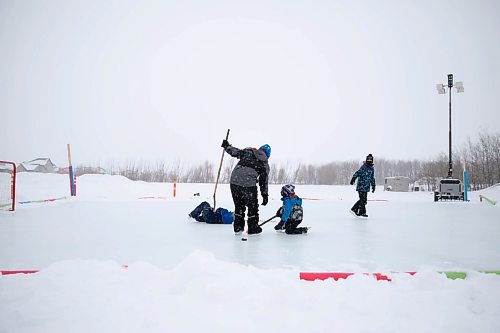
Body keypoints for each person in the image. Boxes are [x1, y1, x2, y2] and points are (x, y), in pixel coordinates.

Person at [221, 139, 270, 235]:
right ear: (268, 154)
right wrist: (265, 195)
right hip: (248, 184)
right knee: (252, 207)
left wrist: (227, 146)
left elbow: (235, 152)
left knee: (239, 206)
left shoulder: (249, 151)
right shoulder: (264, 164)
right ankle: (253, 228)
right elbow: (263, 181)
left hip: (234, 181)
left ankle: (238, 228)